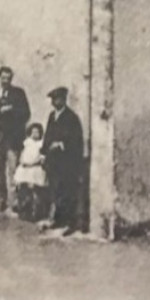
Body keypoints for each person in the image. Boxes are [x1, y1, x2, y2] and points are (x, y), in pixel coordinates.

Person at [41, 86, 85, 236]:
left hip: (67, 162)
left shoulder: (71, 118)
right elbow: (47, 136)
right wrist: (43, 153)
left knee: (67, 191)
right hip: (53, 161)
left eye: (58, 99)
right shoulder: (52, 116)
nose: (56, 102)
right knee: (55, 190)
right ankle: (57, 220)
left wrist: (61, 144)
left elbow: (76, 140)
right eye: (53, 99)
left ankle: (69, 223)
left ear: (64, 100)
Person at [0, 65, 30, 212]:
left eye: (8, 78)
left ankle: (15, 202)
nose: (6, 81)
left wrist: (12, 110)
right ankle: (0, 200)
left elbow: (26, 114)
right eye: (3, 78)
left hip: (13, 139)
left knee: (13, 171)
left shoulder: (18, 93)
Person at [13, 121, 48, 222]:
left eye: (37, 132)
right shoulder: (27, 142)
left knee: (34, 190)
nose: (35, 134)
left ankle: (35, 212)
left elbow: (41, 158)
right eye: (33, 132)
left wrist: (35, 163)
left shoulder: (41, 144)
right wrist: (22, 162)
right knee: (23, 188)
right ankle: (23, 209)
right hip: (25, 168)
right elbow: (23, 154)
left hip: (35, 168)